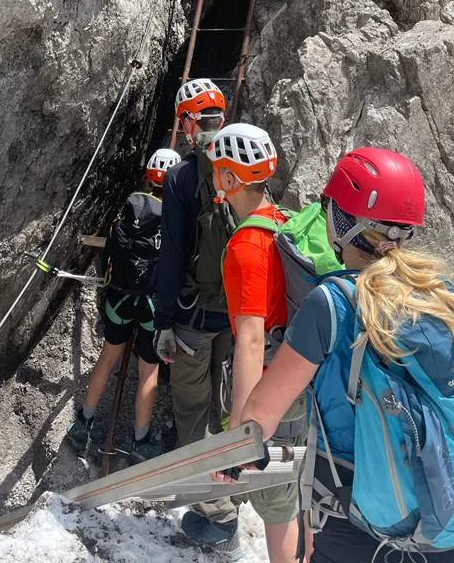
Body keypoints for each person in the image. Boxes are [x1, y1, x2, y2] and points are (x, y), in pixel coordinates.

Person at [225, 147, 454, 563]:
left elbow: (260, 415)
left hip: (357, 528)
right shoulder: (445, 298)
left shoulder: (333, 302)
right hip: (444, 517)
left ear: (342, 222)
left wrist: (235, 455)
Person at [207, 123, 307, 563]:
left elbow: (249, 340)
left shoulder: (247, 244)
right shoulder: (285, 222)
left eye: (217, 169)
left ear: (229, 179)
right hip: (301, 381)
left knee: (277, 508)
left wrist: (241, 434)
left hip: (272, 394)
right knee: (295, 497)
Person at [153, 78, 239, 552]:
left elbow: (172, 255)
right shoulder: (239, 166)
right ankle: (231, 486)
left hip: (191, 316)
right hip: (233, 314)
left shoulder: (183, 177)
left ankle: (219, 516)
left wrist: (164, 319)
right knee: (222, 404)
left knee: (191, 410)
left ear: (188, 121)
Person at [67, 147, 180, 462]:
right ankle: (140, 442)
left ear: (149, 177)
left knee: (107, 358)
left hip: (119, 295)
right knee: (148, 372)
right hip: (151, 305)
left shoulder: (132, 204)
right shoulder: (173, 215)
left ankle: (83, 424)